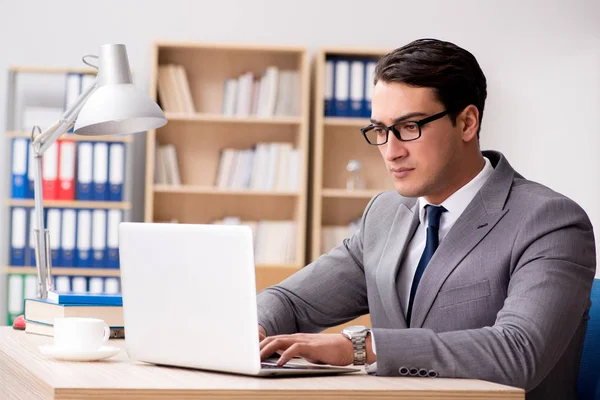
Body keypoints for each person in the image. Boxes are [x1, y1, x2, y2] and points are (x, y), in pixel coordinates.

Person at [256, 38, 596, 399]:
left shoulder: (550, 221)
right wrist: (256, 327)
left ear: (466, 123)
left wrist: (361, 347)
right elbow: (292, 300)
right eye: (380, 130)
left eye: (409, 127)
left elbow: (518, 352)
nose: (391, 151)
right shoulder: (385, 214)